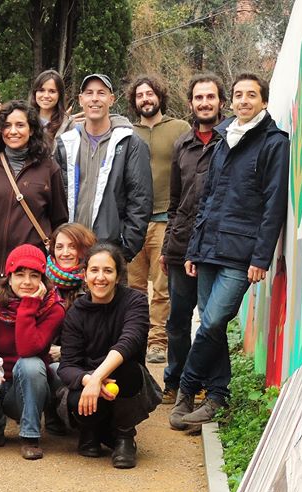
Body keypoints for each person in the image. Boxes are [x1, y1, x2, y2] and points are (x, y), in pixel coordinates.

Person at [171, 73, 289, 430]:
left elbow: (274, 204)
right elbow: (206, 199)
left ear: (264, 101)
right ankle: (218, 397)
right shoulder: (224, 138)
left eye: (251, 95)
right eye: (238, 95)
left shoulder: (273, 142)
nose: (243, 101)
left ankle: (187, 391)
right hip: (208, 248)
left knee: (211, 322)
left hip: (241, 253)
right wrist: (193, 248)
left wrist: (261, 257)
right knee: (213, 325)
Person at [57, 243, 160, 469]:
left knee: (127, 371)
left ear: (118, 275)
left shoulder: (135, 301)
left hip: (124, 379)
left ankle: (124, 437)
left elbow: (129, 342)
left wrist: (97, 378)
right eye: (94, 270)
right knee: (75, 396)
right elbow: (67, 365)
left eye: (108, 271)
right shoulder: (76, 312)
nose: (100, 277)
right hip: (89, 384)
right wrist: (88, 380)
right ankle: (90, 431)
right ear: (85, 275)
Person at [0, 245, 66, 460]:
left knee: (31, 363)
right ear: (9, 277)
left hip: (30, 386)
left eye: (34, 275)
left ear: (42, 280)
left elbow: (28, 349)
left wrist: (28, 306)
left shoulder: (53, 308)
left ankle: (30, 436)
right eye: (19, 274)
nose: (26, 282)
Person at [160, 73, 226, 405]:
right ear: (191, 104)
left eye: (210, 97)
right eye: (198, 98)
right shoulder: (181, 146)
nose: (204, 103)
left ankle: (200, 381)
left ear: (220, 103)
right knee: (178, 318)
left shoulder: (230, 142)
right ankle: (174, 378)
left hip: (214, 247)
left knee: (211, 319)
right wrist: (166, 244)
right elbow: (174, 202)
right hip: (180, 244)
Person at [127, 75, 191, 364]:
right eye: (140, 95)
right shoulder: (127, 133)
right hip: (133, 221)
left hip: (166, 219)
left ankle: (157, 342)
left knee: (163, 288)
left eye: (150, 94)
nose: (145, 99)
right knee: (134, 286)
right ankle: (135, 339)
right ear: (134, 101)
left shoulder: (179, 128)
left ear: (159, 96)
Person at [0, 100, 67, 300]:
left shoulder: (49, 168)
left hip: (30, 270)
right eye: (7, 126)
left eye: (20, 125)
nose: (13, 131)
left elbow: (59, 218)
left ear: (32, 130)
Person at [55, 73, 153, 262]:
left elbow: (140, 201)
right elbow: (55, 198)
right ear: (81, 100)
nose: (95, 99)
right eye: (89, 93)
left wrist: (125, 250)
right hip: (70, 251)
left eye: (101, 93)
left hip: (110, 251)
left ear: (111, 99)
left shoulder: (130, 144)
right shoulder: (65, 144)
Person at [47, 223, 98, 311]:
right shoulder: (42, 282)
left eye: (73, 247)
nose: (65, 253)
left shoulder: (96, 281)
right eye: (59, 247)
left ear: (85, 249)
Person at [30, 70, 78, 140]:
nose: (46, 95)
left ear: (59, 95)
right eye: (41, 90)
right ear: (35, 93)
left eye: (52, 91)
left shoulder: (68, 125)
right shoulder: (26, 120)